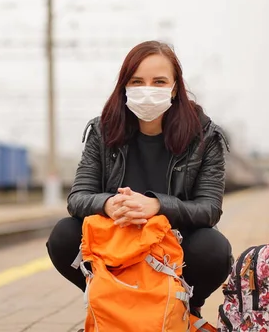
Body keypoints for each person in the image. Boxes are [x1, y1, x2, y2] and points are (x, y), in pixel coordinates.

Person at [46, 40, 233, 318]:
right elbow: (78, 198)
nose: (148, 90)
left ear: (175, 87)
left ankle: (186, 305)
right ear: (124, 86)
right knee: (63, 235)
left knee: (214, 249)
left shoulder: (204, 135)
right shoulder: (103, 130)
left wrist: (157, 206)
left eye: (159, 82)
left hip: (174, 246)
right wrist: (109, 204)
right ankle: (112, 299)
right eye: (137, 81)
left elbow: (209, 209)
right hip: (118, 242)